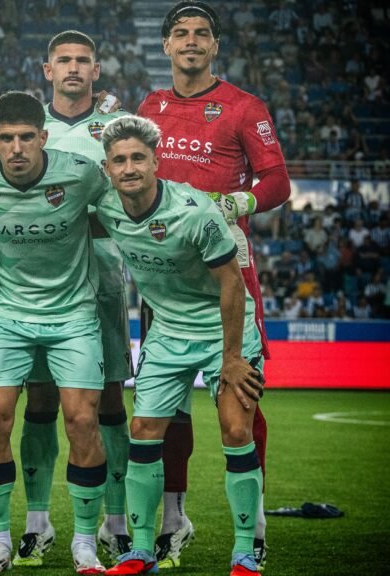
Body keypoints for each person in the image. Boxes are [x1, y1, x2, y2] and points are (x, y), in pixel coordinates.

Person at [137, 2, 290, 568]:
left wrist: (236, 201)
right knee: (164, 407)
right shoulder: (150, 107)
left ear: (215, 46)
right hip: (161, 282)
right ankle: (173, 520)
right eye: (181, 33)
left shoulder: (245, 107)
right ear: (167, 45)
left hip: (227, 273)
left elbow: (278, 180)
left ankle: (256, 526)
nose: (192, 41)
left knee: (241, 399)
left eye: (202, 33)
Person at [96, 115, 265, 576]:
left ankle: (246, 552)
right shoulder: (106, 208)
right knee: (144, 431)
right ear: (107, 168)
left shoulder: (193, 211)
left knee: (235, 430)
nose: (129, 167)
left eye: (137, 158)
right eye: (119, 160)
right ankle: (141, 551)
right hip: (168, 331)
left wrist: (232, 358)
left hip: (224, 327)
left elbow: (232, 284)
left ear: (155, 162)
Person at [0, 92, 109, 574]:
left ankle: (85, 543)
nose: (17, 148)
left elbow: (114, 216)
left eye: (26, 137)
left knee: (83, 421)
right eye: (7, 139)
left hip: (74, 315)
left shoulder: (82, 173)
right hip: (8, 314)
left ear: (43, 137)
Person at [17, 30, 133, 567]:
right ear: (46, 69)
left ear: (97, 69)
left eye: (82, 60)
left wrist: (66, 223)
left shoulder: (114, 129)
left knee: (107, 403)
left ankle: (115, 522)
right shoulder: (24, 129)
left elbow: (131, 200)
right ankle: (37, 524)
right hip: (32, 288)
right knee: (38, 405)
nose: (72, 68)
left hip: (101, 284)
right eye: (62, 59)